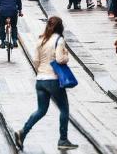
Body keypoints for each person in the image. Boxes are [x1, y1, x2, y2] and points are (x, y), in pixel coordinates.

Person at [14, 16, 77, 150]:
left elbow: (36, 60)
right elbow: (60, 59)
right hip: (53, 80)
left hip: (40, 80)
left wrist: (40, 72)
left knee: (41, 110)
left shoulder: (41, 39)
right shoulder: (59, 40)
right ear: (60, 27)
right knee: (64, 109)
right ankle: (63, 140)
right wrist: (66, 56)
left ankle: (23, 132)